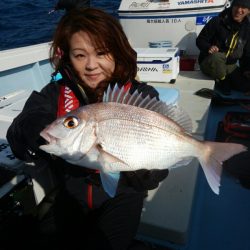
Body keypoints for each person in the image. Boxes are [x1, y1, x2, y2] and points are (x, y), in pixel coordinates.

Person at [6, 7, 169, 250]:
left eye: (102, 53)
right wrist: (33, 129)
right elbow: (19, 132)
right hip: (68, 194)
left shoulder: (142, 96)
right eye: (80, 55)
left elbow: (162, 158)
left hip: (122, 196)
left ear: (118, 52)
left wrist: (150, 173)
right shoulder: (54, 95)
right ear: (68, 57)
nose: (91, 65)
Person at [196, 0, 250, 95]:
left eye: (243, 8)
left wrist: (246, 70)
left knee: (245, 87)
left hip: (229, 65)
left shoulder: (247, 29)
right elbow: (200, 40)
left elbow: (246, 53)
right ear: (232, 6)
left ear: (248, 11)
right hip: (209, 62)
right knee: (217, 57)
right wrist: (209, 47)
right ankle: (223, 80)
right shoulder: (217, 21)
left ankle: (227, 78)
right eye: (236, 6)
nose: (239, 10)